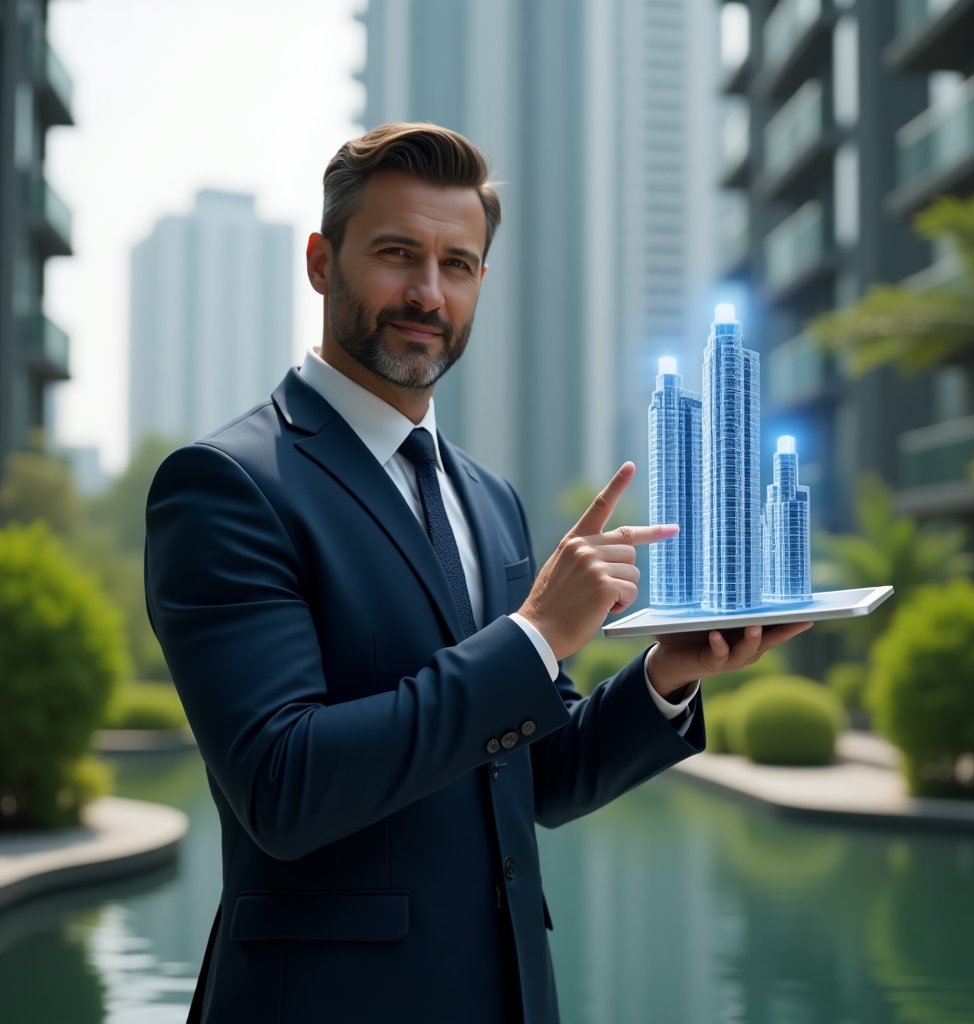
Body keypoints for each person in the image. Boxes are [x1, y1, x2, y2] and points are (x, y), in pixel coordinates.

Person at [145, 122, 811, 1024]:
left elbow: (535, 774)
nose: (428, 292)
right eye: (396, 253)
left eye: (457, 265)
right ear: (319, 261)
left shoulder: (489, 497)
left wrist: (664, 675)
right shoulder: (227, 485)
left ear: (480, 285)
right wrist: (535, 634)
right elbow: (282, 786)